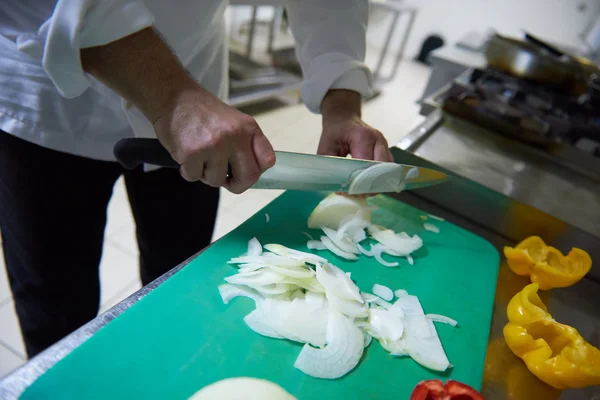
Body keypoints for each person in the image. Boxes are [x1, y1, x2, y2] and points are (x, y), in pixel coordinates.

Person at [0, 0, 393, 358]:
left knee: (179, 283)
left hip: (199, 99)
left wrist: (342, 102)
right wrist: (171, 96)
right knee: (56, 310)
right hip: (43, 101)